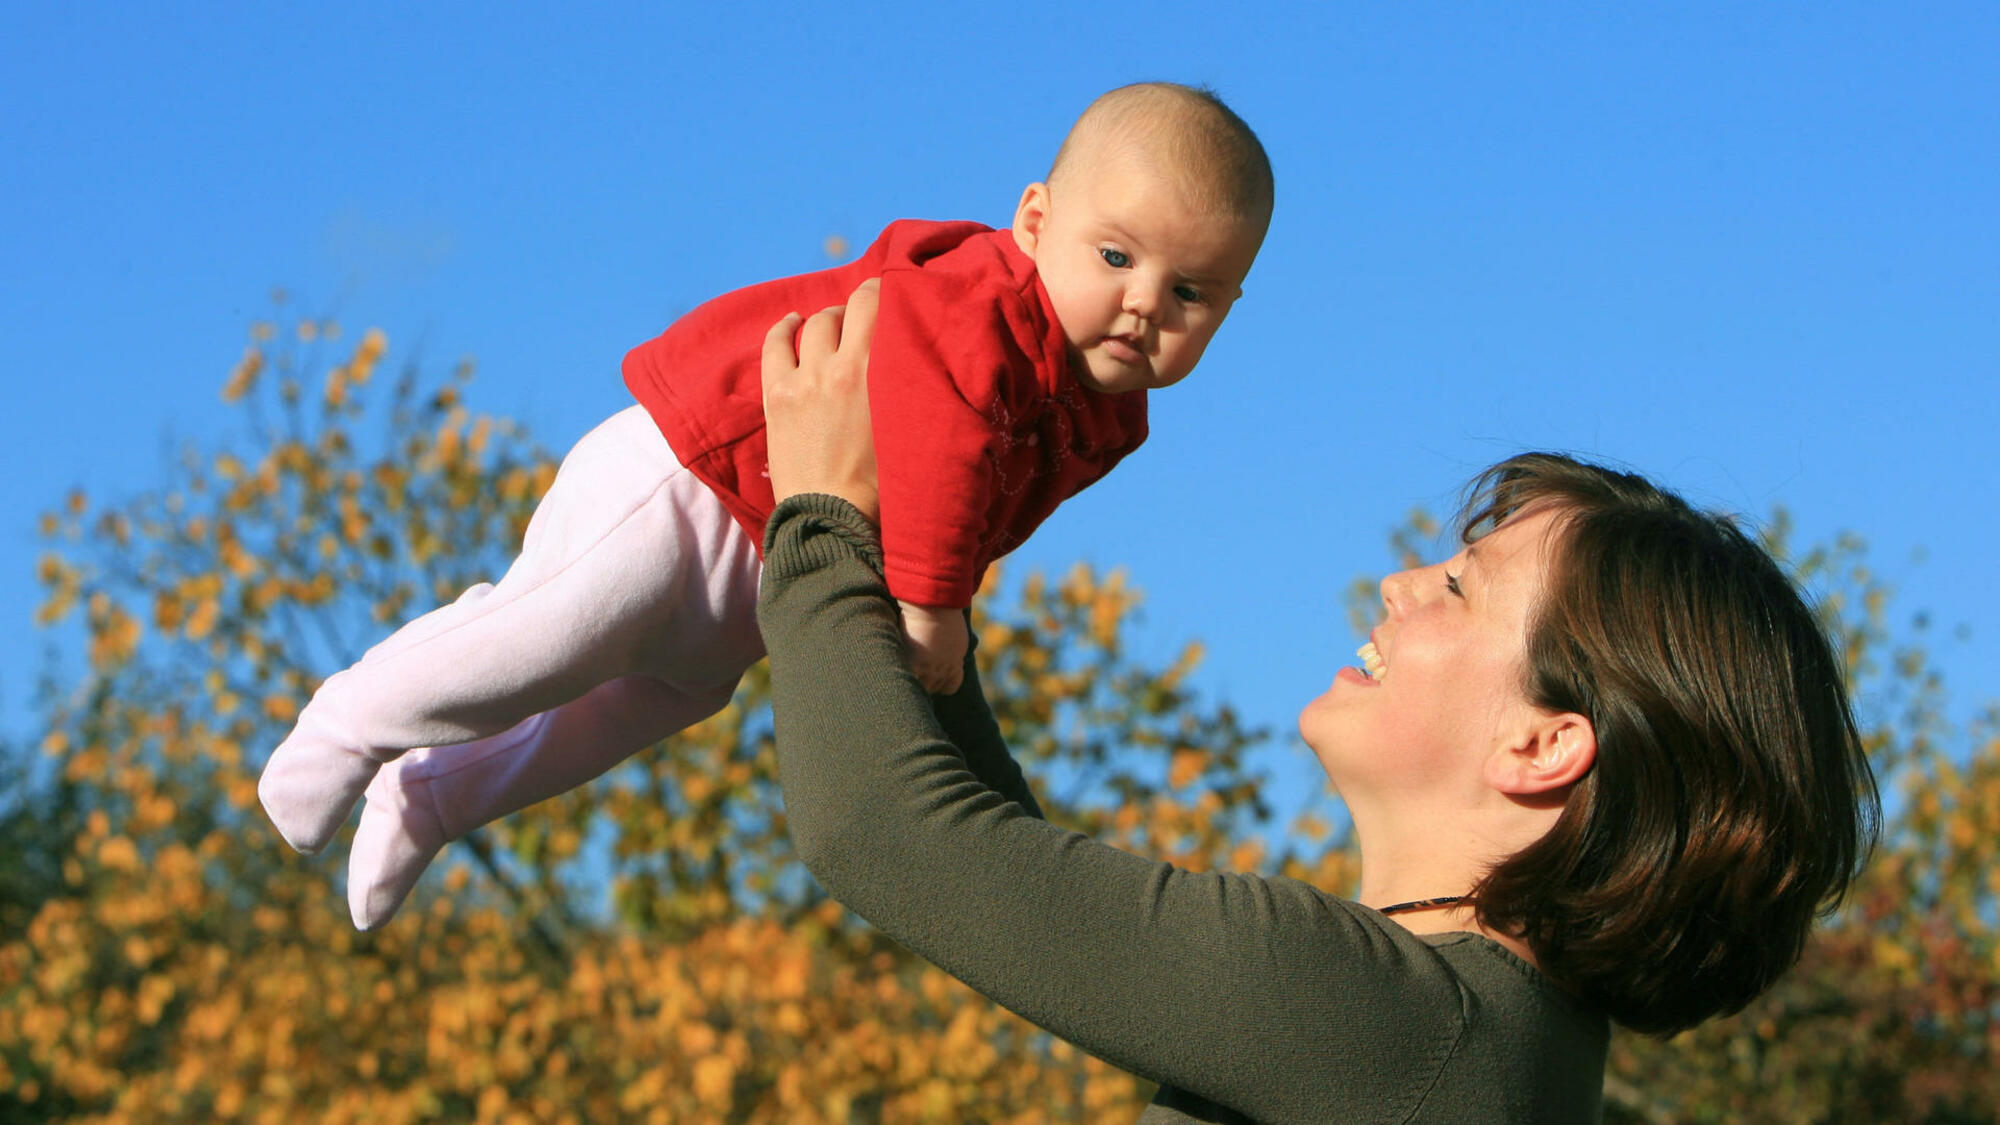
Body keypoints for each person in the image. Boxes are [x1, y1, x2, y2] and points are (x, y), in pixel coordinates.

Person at [753, 282, 1880, 1123]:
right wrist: (923, 585)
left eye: (1459, 588)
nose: (1399, 584)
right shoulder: (1490, 1040)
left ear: (1543, 744)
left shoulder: (1396, 1017)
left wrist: (816, 512)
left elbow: (884, 829)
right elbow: (1000, 865)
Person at [256, 81, 1274, 930]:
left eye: (1190, 292)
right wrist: (931, 603)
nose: (1145, 303)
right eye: (1116, 257)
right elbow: (940, 433)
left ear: (1230, 308)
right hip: (696, 479)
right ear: (1035, 222)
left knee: (631, 710)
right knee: (541, 638)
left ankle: (433, 798)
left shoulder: (1105, 414)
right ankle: (348, 722)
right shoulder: (983, 303)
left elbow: (980, 507)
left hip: (766, 565)